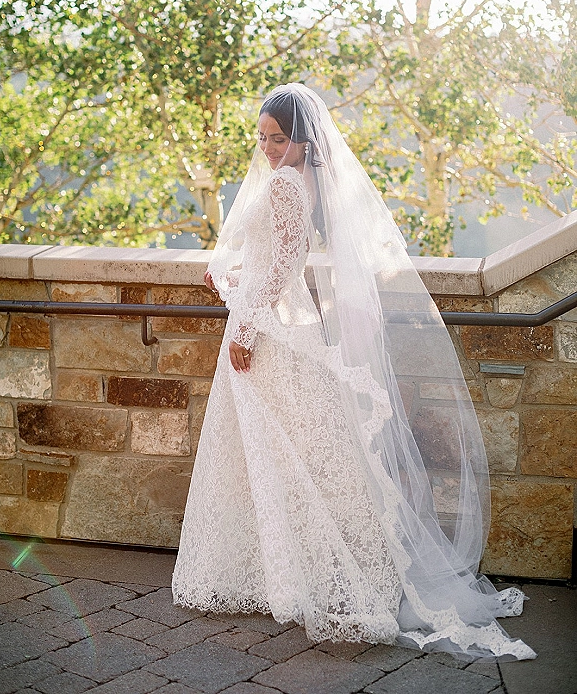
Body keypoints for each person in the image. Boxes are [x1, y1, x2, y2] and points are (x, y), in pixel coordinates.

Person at [172, 82, 535, 660]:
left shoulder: (290, 183)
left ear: (300, 139)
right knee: (286, 445)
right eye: (262, 137)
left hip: (270, 329)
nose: (267, 147)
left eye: (278, 138)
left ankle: (307, 572)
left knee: (281, 445)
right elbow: (276, 263)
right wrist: (240, 285)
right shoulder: (305, 178)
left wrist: (243, 326)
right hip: (277, 316)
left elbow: (286, 260)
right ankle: (289, 569)